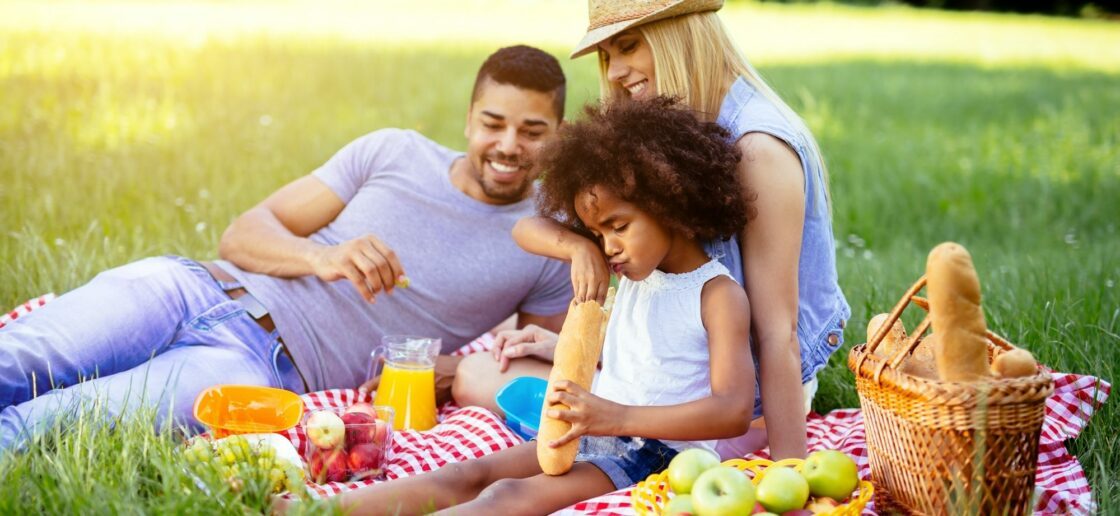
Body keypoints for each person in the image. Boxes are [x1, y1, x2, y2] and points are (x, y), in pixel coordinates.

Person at [0, 45, 572, 451]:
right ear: (470, 118)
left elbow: (534, 366)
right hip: (187, 287)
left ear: (559, 134)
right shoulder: (393, 152)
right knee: (16, 361)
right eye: (493, 124)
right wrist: (321, 257)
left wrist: (453, 367)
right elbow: (244, 232)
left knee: (42, 428)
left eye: (531, 132)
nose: (508, 146)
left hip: (259, 366)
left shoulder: (550, 238)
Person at [312, 96, 753, 516]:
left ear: (671, 205)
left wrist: (614, 416)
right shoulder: (633, 264)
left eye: (617, 227)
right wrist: (581, 250)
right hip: (595, 429)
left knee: (507, 497)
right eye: (598, 234)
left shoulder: (716, 295)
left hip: (656, 456)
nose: (609, 247)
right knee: (470, 472)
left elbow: (732, 412)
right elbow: (526, 229)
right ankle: (311, 509)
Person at [455, 0, 850, 460]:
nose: (617, 71)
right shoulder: (665, 131)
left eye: (628, 46)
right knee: (478, 374)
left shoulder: (759, 148)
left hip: (735, 403)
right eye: (607, 56)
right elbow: (531, 227)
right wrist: (581, 254)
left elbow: (777, 335)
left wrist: (792, 474)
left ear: (681, 34)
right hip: (663, 374)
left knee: (506, 398)